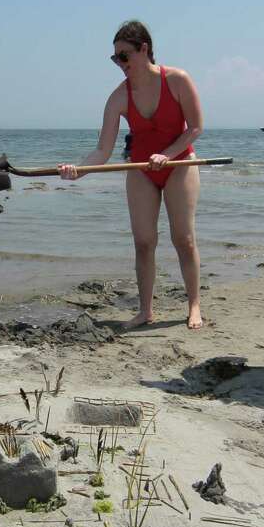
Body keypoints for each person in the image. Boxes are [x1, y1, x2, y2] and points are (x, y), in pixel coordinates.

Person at [59, 20, 205, 330]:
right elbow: (102, 151)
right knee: (143, 241)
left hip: (179, 166)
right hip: (140, 170)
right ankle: (145, 311)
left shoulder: (177, 80)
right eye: (115, 58)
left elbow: (195, 127)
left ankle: (193, 305)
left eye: (124, 56)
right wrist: (78, 170)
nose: (120, 64)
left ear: (144, 49)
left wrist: (167, 154)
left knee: (184, 238)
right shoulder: (118, 97)